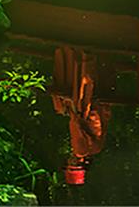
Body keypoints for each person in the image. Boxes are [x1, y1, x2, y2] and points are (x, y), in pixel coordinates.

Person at [51, 46, 113, 185]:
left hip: (98, 112)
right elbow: (76, 126)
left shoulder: (96, 150)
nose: (69, 161)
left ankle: (91, 59)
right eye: (71, 165)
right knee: (63, 101)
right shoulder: (80, 151)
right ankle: (76, 57)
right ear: (79, 164)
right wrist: (70, 111)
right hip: (88, 110)